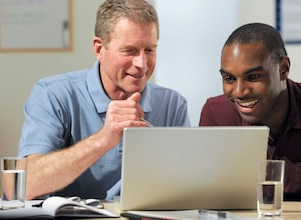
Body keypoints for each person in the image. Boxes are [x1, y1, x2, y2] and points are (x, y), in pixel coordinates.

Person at [18, 0, 190, 200]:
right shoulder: (53, 95)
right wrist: (103, 139)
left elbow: (186, 186)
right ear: (99, 49)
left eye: (150, 50)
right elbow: (27, 185)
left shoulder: (172, 104)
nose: (142, 64)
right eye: (130, 51)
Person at [199, 23, 301, 201]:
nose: (239, 91)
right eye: (229, 78)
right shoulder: (216, 114)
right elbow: (210, 201)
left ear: (283, 69)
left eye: (253, 77)